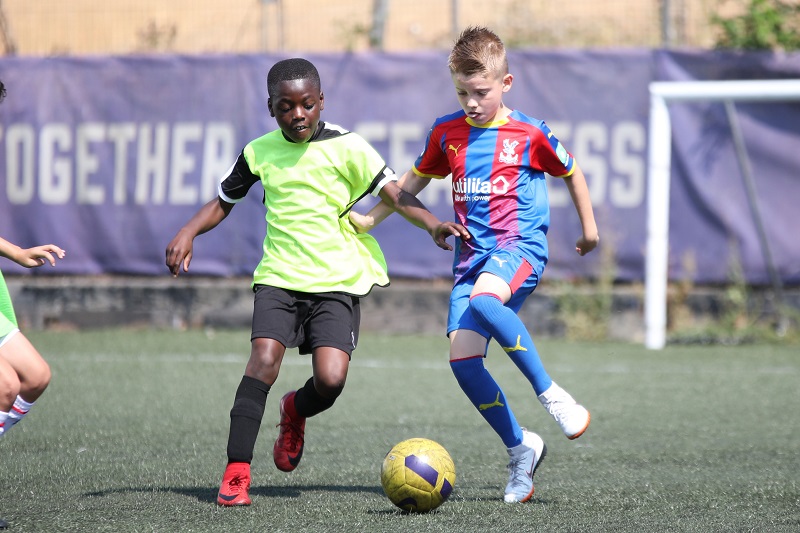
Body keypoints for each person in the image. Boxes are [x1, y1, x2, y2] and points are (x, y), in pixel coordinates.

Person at [165, 58, 467, 507]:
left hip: (336, 281)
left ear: (321, 101)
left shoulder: (349, 147)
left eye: (307, 104)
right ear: (271, 108)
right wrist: (188, 230)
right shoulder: (258, 152)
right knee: (263, 361)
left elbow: (396, 195)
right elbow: (224, 201)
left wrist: (432, 225)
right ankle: (236, 474)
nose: (298, 114)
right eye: (286, 107)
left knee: (330, 380)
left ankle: (294, 410)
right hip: (279, 278)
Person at [350, 26, 599, 504]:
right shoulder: (447, 132)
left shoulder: (529, 132)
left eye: (480, 92)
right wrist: (371, 217)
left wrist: (588, 230)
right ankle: (521, 449)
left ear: (505, 84)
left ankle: (552, 396)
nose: (470, 101)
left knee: (487, 300)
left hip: (519, 248)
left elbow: (572, 171)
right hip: (471, 259)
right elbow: (409, 185)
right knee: (463, 363)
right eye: (462, 91)